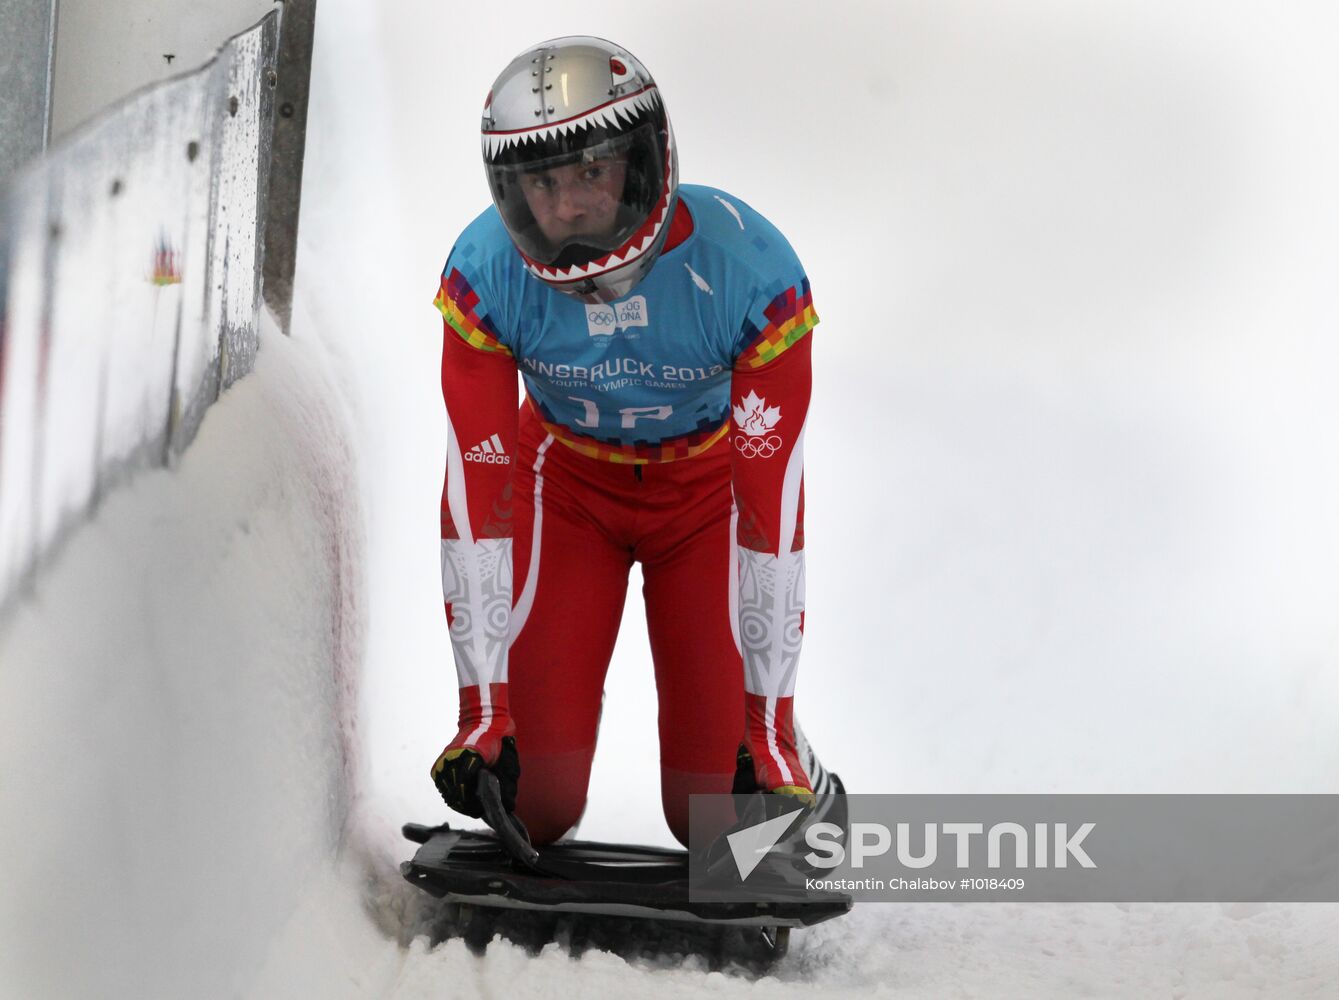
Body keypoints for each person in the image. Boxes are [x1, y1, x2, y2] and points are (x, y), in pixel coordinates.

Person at [429, 36, 837, 847]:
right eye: (542, 183)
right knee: (530, 802)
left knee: (716, 821)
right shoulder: (482, 271)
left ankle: (807, 776)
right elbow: (477, 495)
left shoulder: (753, 272)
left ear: (646, 162)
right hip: (565, 487)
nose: (570, 208)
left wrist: (771, 726)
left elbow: (770, 513)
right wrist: (482, 715)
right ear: (509, 191)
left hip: (711, 497)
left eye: (591, 172)